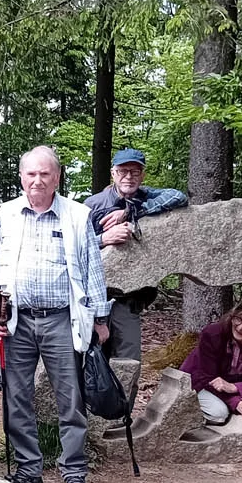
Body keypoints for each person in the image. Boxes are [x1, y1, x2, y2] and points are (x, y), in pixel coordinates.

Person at [0, 146, 110, 483]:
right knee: (16, 398)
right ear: (21, 177)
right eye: (31, 174)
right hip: (15, 321)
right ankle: (28, 473)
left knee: (72, 400)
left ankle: (74, 474)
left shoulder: (78, 216)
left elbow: (93, 272)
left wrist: (100, 320)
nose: (37, 180)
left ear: (57, 177)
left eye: (45, 174)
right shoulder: (5, 216)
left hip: (63, 320)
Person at [84, 148, 188, 360]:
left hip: (128, 300)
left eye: (135, 171)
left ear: (143, 175)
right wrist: (104, 239)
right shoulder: (93, 205)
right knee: (92, 361)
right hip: (95, 298)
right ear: (113, 173)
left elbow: (179, 196)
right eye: (123, 171)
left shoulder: (146, 196)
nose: (129, 177)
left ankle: (124, 395)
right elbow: (75, 249)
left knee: (128, 360)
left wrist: (131, 212)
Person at [179, 300, 242, 425]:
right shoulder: (213, 334)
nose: (240, 327)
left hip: (235, 386)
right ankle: (193, 419)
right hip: (200, 383)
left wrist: (235, 388)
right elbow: (207, 378)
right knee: (219, 413)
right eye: (238, 319)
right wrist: (237, 403)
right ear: (232, 316)